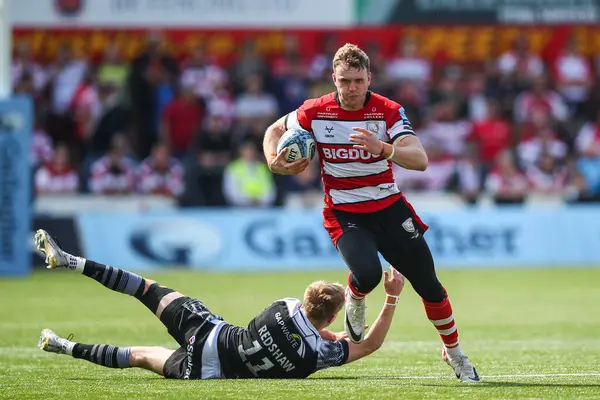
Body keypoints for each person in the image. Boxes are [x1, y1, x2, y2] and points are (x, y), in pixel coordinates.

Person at [262, 43, 480, 383]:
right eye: (345, 81)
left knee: (431, 288)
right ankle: (356, 294)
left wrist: (385, 149)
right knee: (368, 273)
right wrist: (273, 161)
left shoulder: (387, 111)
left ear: (369, 79)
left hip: (389, 208)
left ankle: (454, 353)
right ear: (333, 78)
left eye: (358, 81)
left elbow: (420, 160)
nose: (352, 88)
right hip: (345, 211)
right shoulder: (314, 111)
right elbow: (274, 131)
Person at [34, 229, 404, 379]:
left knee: (145, 288)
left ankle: (71, 261)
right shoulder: (317, 353)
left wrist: (330, 331)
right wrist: (391, 297)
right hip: (205, 371)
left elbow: (310, 327)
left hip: (208, 331)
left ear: (306, 297)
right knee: (139, 356)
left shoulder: (284, 306)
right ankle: (62, 345)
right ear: (333, 316)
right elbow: (367, 344)